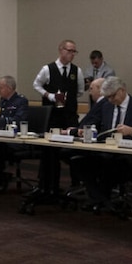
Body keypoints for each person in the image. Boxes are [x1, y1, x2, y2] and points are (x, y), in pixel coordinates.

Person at [67, 76, 132, 213]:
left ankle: (100, 200)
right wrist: (87, 131)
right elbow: (95, 125)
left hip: (130, 154)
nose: (110, 100)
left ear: (122, 91)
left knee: (112, 166)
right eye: (107, 97)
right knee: (78, 162)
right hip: (106, 151)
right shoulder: (106, 106)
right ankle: (102, 200)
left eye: (112, 96)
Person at [31, 40, 83, 198]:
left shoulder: (76, 71)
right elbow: (36, 85)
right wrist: (50, 95)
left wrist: (69, 100)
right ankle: (48, 184)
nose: (72, 54)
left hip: (70, 115)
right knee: (50, 150)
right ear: (61, 50)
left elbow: (80, 90)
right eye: (69, 50)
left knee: (75, 148)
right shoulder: (48, 69)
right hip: (52, 115)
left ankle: (77, 184)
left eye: (74, 51)